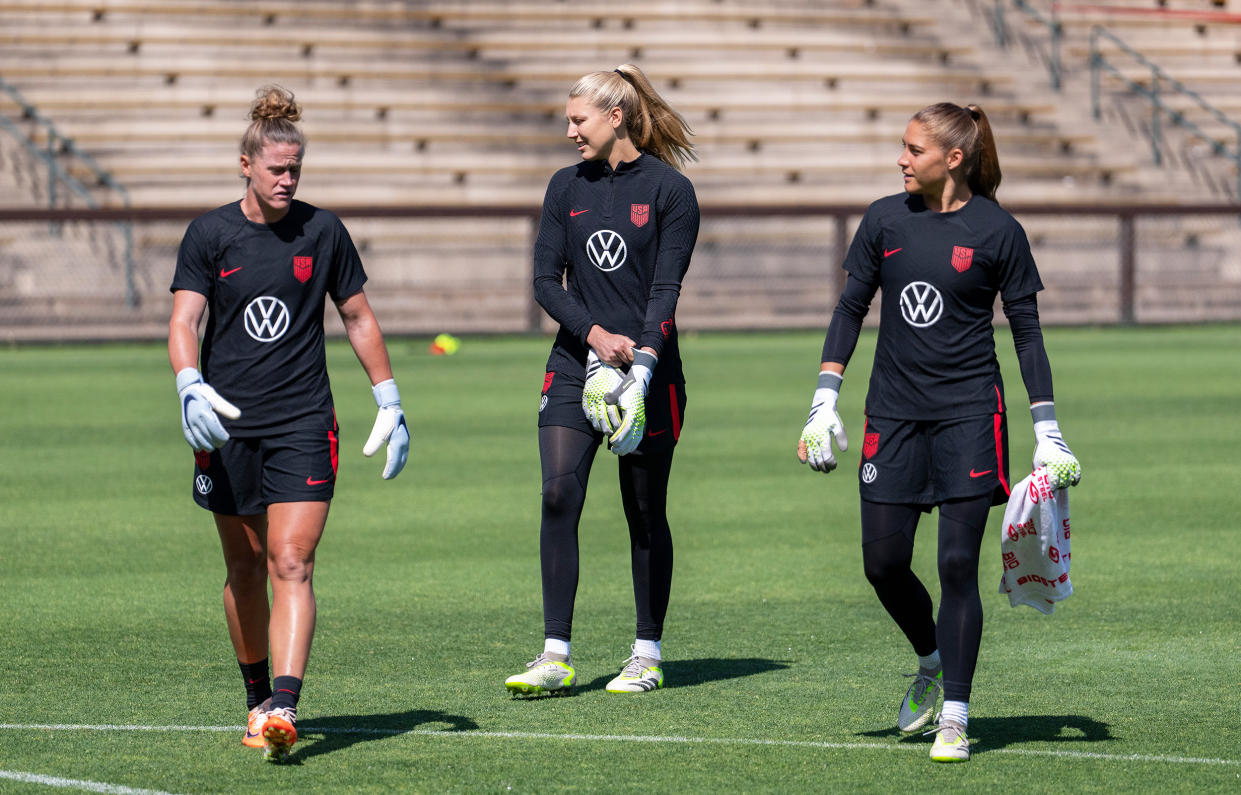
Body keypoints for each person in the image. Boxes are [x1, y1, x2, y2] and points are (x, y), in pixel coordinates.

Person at [797, 102, 1081, 762]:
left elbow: (1027, 334)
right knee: (882, 563)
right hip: (891, 414)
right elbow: (848, 308)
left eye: (912, 149)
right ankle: (928, 657)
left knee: (956, 564)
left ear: (951, 159)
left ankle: (954, 711)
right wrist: (823, 399)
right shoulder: (882, 220)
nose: (900, 158)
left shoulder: (997, 230)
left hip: (967, 416)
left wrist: (1048, 429)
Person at [167, 85, 410, 762]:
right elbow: (184, 319)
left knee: (291, 561)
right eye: (275, 168)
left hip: (304, 419)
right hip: (226, 427)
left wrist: (388, 396)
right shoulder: (209, 234)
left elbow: (357, 316)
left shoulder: (322, 231)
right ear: (244, 164)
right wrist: (189, 382)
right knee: (244, 565)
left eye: (295, 169)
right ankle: (253, 695)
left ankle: (283, 703)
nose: (286, 179)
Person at [504, 64, 699, 697]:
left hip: (649, 372)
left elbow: (665, 292)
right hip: (573, 364)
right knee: (558, 493)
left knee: (645, 513)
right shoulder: (564, 187)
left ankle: (646, 652)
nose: (569, 132)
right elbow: (542, 283)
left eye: (578, 119)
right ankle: (555, 653)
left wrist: (639, 365)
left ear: (615, 116)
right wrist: (593, 338)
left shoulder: (671, 191)